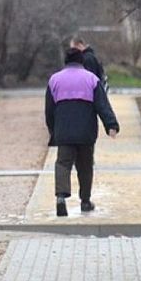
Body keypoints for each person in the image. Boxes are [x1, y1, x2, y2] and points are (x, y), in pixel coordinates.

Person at [46, 46, 119, 216]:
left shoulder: (54, 80)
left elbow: (49, 110)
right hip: (86, 131)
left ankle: (60, 198)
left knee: (63, 164)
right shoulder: (91, 79)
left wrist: (53, 131)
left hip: (63, 131)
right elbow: (102, 105)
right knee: (85, 166)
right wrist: (111, 125)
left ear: (66, 61)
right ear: (81, 61)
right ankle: (85, 201)